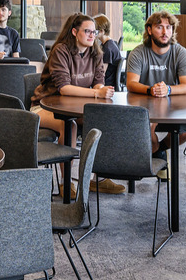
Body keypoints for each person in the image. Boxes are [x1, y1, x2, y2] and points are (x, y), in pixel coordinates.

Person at [32, 13, 120, 193]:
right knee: (69, 126)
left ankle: (99, 179)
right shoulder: (61, 51)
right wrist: (97, 93)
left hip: (76, 107)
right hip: (44, 107)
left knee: (102, 121)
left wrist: (100, 88)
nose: (91, 36)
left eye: (94, 32)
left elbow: (98, 79)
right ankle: (66, 182)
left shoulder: (95, 51)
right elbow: (64, 88)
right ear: (74, 31)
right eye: (87, 31)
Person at [125, 10, 186, 154]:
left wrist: (167, 90)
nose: (165, 32)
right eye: (159, 27)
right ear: (149, 30)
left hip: (173, 107)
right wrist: (150, 90)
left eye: (168, 27)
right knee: (149, 127)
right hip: (144, 106)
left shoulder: (181, 53)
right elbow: (131, 83)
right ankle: (155, 157)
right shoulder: (138, 53)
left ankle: (160, 151)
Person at [93, 13, 122, 87]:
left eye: (94, 31)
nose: (92, 34)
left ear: (102, 31)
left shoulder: (107, 48)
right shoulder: (111, 44)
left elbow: (102, 73)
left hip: (106, 84)